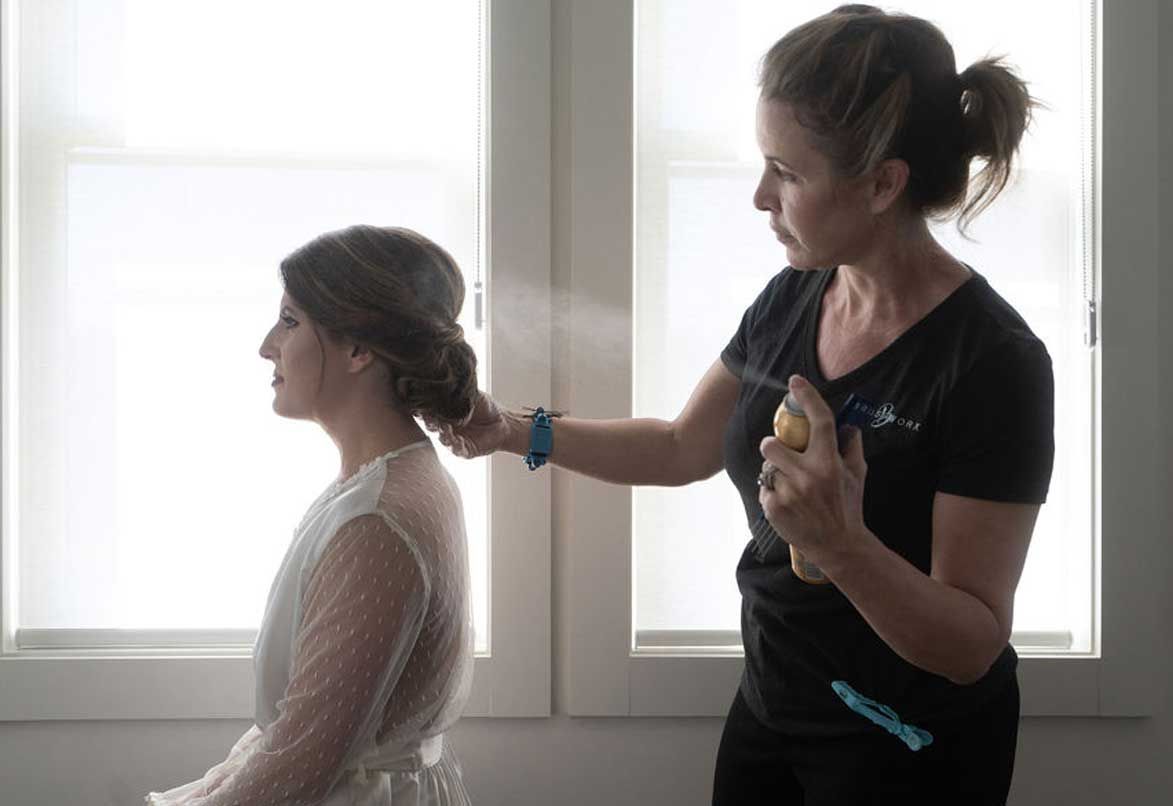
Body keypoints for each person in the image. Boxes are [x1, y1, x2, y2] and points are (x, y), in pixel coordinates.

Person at [429, 5, 1053, 805]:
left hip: (909, 744)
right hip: (772, 708)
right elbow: (679, 447)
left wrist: (839, 545)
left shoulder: (993, 363)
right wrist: (510, 430)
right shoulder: (793, 295)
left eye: (788, 173)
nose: (760, 196)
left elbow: (970, 642)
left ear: (881, 183)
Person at [146, 225, 478, 806]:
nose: (267, 344)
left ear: (358, 349)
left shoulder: (377, 520)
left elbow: (302, 758)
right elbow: (295, 740)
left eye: (290, 321)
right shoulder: (389, 481)